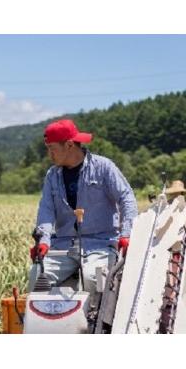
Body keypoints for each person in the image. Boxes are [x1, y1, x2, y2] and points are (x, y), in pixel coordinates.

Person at [29, 119, 138, 301]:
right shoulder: (52, 175)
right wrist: (44, 240)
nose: (49, 154)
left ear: (69, 145)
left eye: (52, 149)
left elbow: (127, 198)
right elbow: (46, 210)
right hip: (63, 245)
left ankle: (95, 326)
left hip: (101, 244)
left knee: (92, 278)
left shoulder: (103, 167)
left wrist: (127, 234)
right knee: (37, 275)